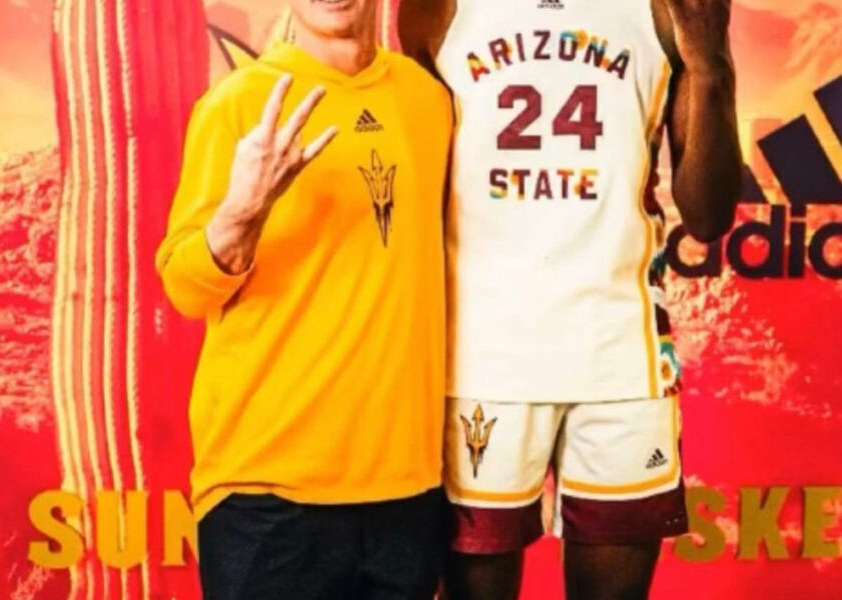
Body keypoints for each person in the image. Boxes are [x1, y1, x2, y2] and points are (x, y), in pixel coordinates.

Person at [398, 0, 742, 598]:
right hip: (483, 359)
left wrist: (710, 65)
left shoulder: (670, 7)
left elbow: (708, 217)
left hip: (620, 360)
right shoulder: (436, 7)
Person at [155, 0, 452, 597]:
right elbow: (184, 288)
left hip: (406, 493)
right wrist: (243, 210)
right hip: (267, 497)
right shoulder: (240, 104)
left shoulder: (429, 101)